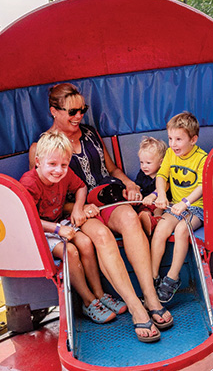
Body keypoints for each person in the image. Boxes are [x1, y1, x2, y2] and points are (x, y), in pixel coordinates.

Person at [29, 83, 173, 341]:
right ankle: (137, 309)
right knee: (102, 236)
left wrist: (129, 183)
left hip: (108, 196)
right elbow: (48, 199)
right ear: (54, 111)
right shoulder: (41, 148)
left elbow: (113, 170)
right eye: (72, 111)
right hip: (77, 210)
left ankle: (150, 297)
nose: (79, 116)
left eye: (82, 110)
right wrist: (81, 208)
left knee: (130, 218)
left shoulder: (90, 134)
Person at [20, 131, 126, 324]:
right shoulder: (30, 183)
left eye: (63, 165)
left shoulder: (65, 174)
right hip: (39, 230)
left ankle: (100, 294)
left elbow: (81, 187)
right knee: (70, 251)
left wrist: (78, 208)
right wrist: (58, 229)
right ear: (38, 162)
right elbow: (26, 218)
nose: (58, 170)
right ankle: (88, 301)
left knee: (85, 243)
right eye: (52, 164)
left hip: (59, 221)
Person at [148, 112, 207, 303]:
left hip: (196, 207)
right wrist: (162, 194)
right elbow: (161, 176)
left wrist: (186, 203)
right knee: (161, 228)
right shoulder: (170, 155)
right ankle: (153, 276)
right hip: (175, 206)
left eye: (179, 139)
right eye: (170, 138)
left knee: (182, 230)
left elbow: (202, 185)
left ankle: (172, 278)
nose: (173, 144)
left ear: (193, 139)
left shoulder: (201, 158)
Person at [134, 136, 167, 235]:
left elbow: (164, 187)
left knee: (158, 208)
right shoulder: (142, 174)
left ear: (160, 162)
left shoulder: (163, 174)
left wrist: (152, 196)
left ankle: (156, 220)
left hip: (160, 203)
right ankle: (146, 219)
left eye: (148, 163)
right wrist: (136, 193)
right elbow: (138, 185)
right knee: (144, 210)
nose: (144, 166)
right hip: (146, 203)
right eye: (141, 162)